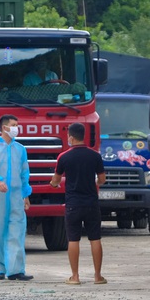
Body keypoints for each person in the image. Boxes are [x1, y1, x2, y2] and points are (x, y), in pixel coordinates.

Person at [50, 122, 107, 285]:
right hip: (91, 203)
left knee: (73, 239)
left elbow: (56, 179)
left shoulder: (64, 157)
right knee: (95, 239)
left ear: (72, 137)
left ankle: (75, 276)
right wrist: (95, 181)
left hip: (73, 204)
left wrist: (53, 184)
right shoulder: (95, 156)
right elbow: (102, 179)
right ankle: (98, 276)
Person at [0, 115, 33, 281]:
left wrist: (26, 194)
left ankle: (15, 269)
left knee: (17, 230)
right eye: (13, 125)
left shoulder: (20, 149)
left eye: (17, 125)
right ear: (4, 127)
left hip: (16, 195)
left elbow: (24, 173)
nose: (16, 128)